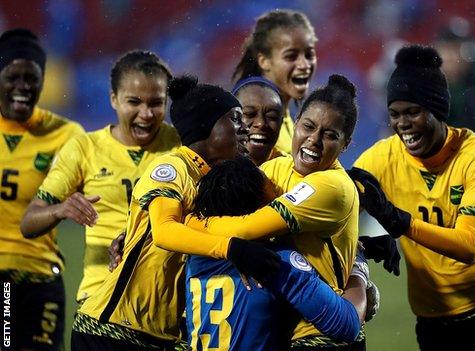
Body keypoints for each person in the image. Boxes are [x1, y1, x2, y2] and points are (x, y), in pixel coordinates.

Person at [348, 45, 475, 351]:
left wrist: (400, 224)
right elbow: (337, 204)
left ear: (437, 109)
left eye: (413, 112)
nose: (403, 124)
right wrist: (360, 249)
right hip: (436, 318)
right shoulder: (381, 158)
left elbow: (469, 246)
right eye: (395, 114)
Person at [71, 75, 280, 350]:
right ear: (207, 127)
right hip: (112, 331)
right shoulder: (172, 169)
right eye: (235, 119)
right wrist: (232, 249)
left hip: (164, 336)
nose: (245, 129)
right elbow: (164, 230)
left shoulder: (217, 179)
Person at [176, 74, 364, 349]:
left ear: (345, 144)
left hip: (316, 333)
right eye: (309, 127)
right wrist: (360, 279)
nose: (314, 140)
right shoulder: (274, 173)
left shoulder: (333, 186)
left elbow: (244, 228)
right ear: (296, 123)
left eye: (330, 135)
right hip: (300, 322)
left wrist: (185, 225)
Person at [20, 50, 180, 305]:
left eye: (155, 103)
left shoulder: (181, 145)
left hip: (166, 307)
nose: (146, 113)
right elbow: (29, 223)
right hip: (99, 302)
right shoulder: (84, 149)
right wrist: (60, 209)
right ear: (114, 99)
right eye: (134, 102)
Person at [185, 155, 367, 350]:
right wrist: (358, 267)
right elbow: (347, 325)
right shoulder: (276, 262)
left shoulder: (194, 254)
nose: (278, 192)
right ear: (258, 208)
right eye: (269, 185)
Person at [0, 28, 85, 350]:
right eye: (12, 77)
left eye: (32, 78)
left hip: (43, 276)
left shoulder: (64, 135)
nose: (22, 87)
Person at [233, 9, 317, 154]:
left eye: (309, 54)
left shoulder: (286, 118)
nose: (304, 65)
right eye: (291, 56)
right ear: (264, 61)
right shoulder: (249, 122)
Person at [232, 76, 286, 165]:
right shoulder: (208, 165)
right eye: (249, 114)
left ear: (281, 123)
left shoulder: (288, 171)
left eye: (272, 117)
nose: (261, 123)